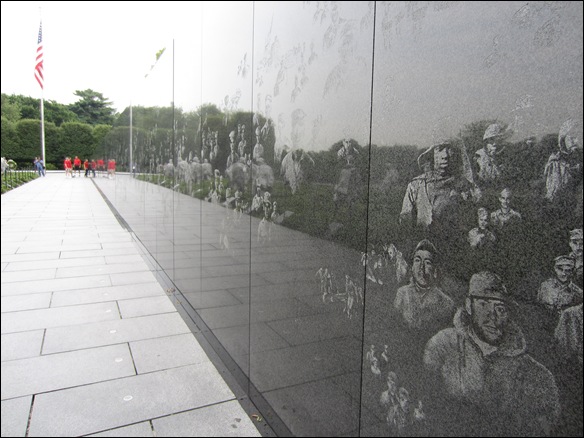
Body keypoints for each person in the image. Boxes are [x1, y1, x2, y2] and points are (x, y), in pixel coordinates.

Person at [423, 271, 560, 436]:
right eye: (484, 305)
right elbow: (425, 406)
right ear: (469, 305)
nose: (493, 316)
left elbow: (545, 428)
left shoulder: (535, 375)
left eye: (500, 308)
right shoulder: (442, 346)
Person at [400, 140, 478, 232]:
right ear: (431, 155)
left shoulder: (463, 185)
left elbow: (470, 221)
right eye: (439, 150)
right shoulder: (416, 185)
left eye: (449, 150)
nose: (445, 155)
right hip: (422, 238)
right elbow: (405, 219)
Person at [394, 239, 455, 334]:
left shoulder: (446, 303)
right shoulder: (402, 294)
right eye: (417, 260)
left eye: (427, 262)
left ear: (435, 270)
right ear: (412, 267)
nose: (421, 267)